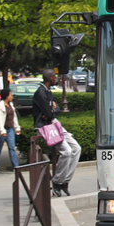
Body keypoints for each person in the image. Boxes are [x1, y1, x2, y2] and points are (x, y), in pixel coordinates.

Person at [32, 69, 82, 197]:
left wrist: (53, 110)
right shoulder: (41, 93)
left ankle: (65, 180)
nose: (56, 79)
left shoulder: (48, 92)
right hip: (44, 126)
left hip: (53, 122)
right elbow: (49, 113)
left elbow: (56, 110)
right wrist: (51, 110)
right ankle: (57, 182)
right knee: (67, 151)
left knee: (76, 148)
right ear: (50, 78)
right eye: (55, 77)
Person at [0, 86, 21, 174]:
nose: (11, 97)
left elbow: (14, 118)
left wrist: (17, 128)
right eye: (10, 95)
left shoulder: (11, 105)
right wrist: (2, 131)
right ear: (7, 96)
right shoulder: (0, 106)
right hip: (2, 130)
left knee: (12, 148)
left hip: (10, 129)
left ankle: (15, 166)